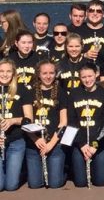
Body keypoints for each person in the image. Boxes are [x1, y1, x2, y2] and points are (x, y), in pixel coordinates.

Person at [67, 62, 104, 188]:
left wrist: (94, 145)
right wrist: (82, 144)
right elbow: (71, 121)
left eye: (90, 76)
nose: (87, 80)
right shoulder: (74, 93)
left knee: (100, 182)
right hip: (80, 143)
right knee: (81, 183)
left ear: (96, 75)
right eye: (84, 77)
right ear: (79, 78)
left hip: (99, 142)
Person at [25, 60, 66, 189]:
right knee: (35, 184)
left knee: (55, 184)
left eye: (51, 73)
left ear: (55, 74)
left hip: (54, 143)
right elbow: (27, 122)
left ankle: (65, 171)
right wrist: (35, 139)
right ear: (38, 74)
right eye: (44, 73)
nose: (48, 76)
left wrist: (50, 145)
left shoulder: (61, 92)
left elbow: (63, 122)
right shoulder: (29, 92)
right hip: (35, 142)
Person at [0, 59, 33, 191]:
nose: (5, 74)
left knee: (11, 186)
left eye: (8, 71)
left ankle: (19, 171)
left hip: (16, 141)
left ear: (14, 73)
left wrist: (12, 121)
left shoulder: (22, 89)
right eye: (1, 71)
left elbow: (28, 119)